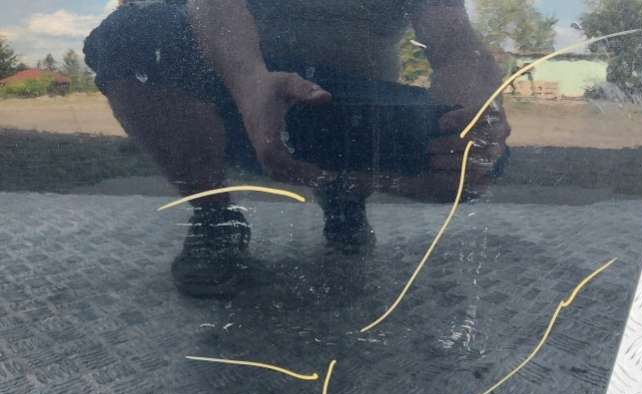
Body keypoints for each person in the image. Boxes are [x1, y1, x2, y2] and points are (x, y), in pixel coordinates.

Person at [84, 0, 511, 297]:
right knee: (127, 36)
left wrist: (469, 122)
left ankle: (344, 198)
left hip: (342, 117)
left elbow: (456, 48)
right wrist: (251, 83)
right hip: (243, 106)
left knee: (480, 157)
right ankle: (215, 217)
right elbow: (213, 6)